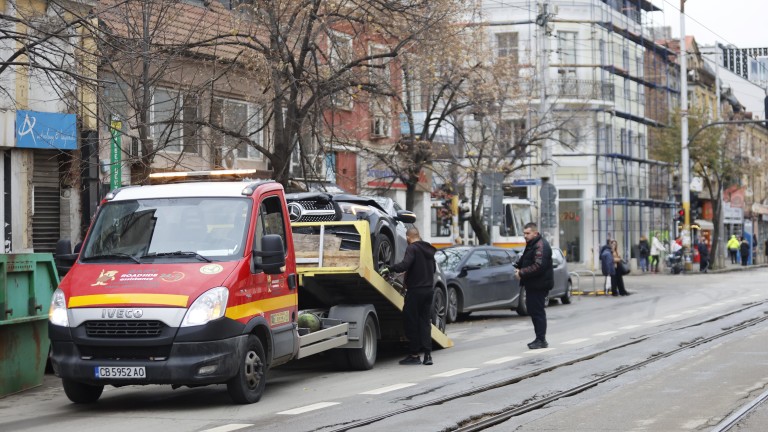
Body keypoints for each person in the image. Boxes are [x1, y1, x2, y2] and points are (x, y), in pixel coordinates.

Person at [385, 227, 437, 366]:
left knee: (411, 322)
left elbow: (405, 264)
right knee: (425, 322)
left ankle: (414, 355)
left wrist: (390, 268)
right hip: (428, 291)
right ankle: (427, 355)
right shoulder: (429, 250)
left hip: (415, 292)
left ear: (409, 237)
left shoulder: (412, 248)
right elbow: (433, 270)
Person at [514, 222, 554, 350]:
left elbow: (538, 266)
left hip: (539, 284)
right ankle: (539, 338)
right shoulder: (532, 244)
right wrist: (518, 265)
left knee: (537, 312)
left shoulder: (541, 245)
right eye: (524, 233)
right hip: (533, 283)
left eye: (527, 233)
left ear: (535, 233)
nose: (525, 236)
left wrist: (522, 272)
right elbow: (527, 259)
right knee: (533, 310)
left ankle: (541, 340)